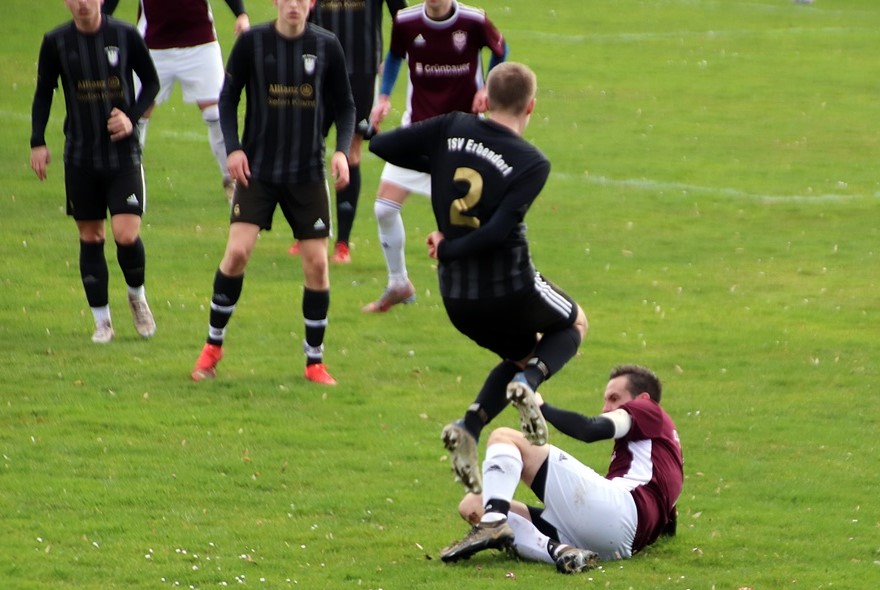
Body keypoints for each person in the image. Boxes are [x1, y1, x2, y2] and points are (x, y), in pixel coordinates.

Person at [369, 62, 586, 493]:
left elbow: (385, 145)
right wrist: (448, 245)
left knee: (522, 353)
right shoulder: (531, 162)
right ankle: (529, 384)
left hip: (458, 299)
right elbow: (497, 233)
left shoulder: (452, 126)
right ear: (532, 107)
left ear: (484, 97)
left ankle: (469, 426)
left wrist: (443, 158)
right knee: (575, 323)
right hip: (511, 287)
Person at [190, 0, 355, 385]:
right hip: (259, 172)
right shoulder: (252, 43)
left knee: (317, 264)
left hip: (307, 174)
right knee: (237, 253)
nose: (294, 5)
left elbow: (346, 107)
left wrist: (343, 153)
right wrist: (233, 148)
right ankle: (212, 348)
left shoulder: (327, 45)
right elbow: (228, 98)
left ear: (310, 3)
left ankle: (314, 361)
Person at [441, 365, 684, 574]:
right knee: (473, 505)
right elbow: (667, 510)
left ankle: (493, 524)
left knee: (503, 437)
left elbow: (590, 429)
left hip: (618, 513)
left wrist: (541, 407)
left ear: (642, 399)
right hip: (616, 543)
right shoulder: (659, 450)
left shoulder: (647, 410)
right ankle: (563, 552)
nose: (606, 407)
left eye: (614, 398)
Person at [361, 0, 508, 312]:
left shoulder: (474, 21)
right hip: (418, 132)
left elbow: (501, 49)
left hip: (462, 137)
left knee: (471, 222)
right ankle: (398, 283)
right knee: (384, 209)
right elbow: (395, 55)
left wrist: (488, 89)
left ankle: (491, 289)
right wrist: (384, 95)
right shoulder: (405, 21)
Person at [30, 0, 160, 344]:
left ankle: (137, 297)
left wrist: (130, 117)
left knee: (126, 234)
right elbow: (44, 92)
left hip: (122, 156)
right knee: (91, 237)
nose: (82, 3)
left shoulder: (125, 34)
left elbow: (151, 82)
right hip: (81, 157)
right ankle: (102, 322)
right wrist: (37, 141)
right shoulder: (56, 41)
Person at [287, 0, 408, 264]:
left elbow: (403, 16)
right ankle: (308, 230)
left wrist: (391, 59)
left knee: (351, 150)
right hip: (315, 67)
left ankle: (343, 243)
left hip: (361, 71)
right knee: (307, 148)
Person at [103, 0, 250, 203]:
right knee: (136, 115)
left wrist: (240, 14)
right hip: (152, 43)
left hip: (200, 42)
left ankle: (232, 180)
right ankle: (129, 179)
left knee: (215, 114)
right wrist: (102, 16)